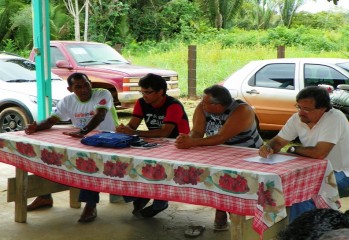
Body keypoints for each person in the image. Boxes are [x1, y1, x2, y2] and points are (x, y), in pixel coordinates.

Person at [25, 72, 119, 223]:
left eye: (86, 85)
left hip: (109, 139)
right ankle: (45, 196)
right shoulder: (67, 100)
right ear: (70, 89)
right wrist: (36, 127)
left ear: (91, 84)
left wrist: (82, 132)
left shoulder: (103, 93)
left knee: (89, 164)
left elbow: (100, 115)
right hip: (82, 140)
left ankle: (90, 205)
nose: (84, 89)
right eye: (78, 87)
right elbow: (52, 120)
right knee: (48, 155)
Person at [258, 86, 349, 223]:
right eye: (299, 107)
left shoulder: (335, 118)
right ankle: (300, 229)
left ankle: (303, 232)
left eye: (306, 109)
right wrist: (268, 147)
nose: (301, 112)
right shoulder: (297, 118)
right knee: (274, 185)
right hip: (313, 171)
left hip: (342, 173)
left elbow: (319, 153)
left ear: (323, 109)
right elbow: (278, 142)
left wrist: (295, 149)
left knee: (304, 195)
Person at [175, 84, 263, 231]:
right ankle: (221, 210)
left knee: (234, 183)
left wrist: (193, 142)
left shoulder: (242, 110)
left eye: (205, 102)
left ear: (218, 106)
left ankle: (235, 219)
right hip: (219, 152)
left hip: (248, 154)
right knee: (216, 179)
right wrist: (187, 139)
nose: (202, 104)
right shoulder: (203, 107)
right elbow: (197, 131)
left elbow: (221, 137)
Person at [116, 73, 190, 218]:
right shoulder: (141, 103)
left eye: (148, 92)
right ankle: (142, 195)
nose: (144, 96)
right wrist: (124, 129)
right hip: (157, 144)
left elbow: (165, 132)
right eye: (142, 92)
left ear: (160, 92)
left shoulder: (173, 105)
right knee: (131, 163)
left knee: (161, 170)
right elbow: (132, 125)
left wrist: (133, 132)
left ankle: (159, 202)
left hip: (178, 145)